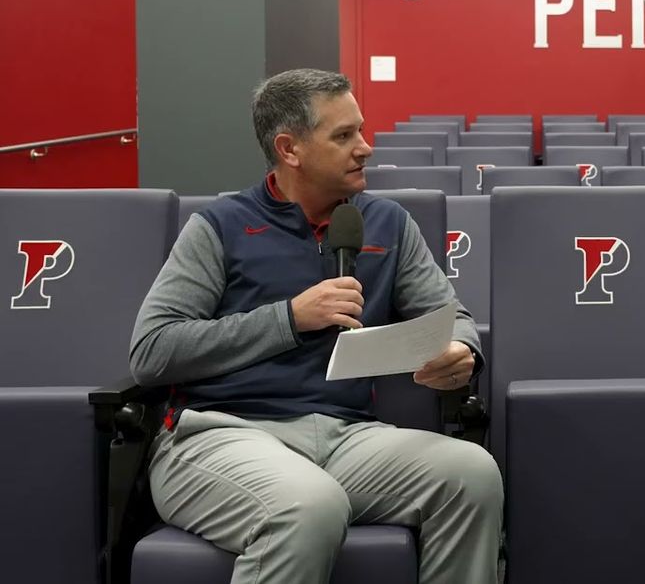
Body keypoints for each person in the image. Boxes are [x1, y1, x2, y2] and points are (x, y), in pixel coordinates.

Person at [130, 68, 502, 584]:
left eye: (362, 131)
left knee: (473, 475)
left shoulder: (389, 223)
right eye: (344, 136)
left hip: (346, 438)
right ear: (290, 149)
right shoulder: (220, 227)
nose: (365, 148)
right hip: (222, 436)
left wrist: (462, 349)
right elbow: (152, 352)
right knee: (308, 504)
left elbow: (451, 316)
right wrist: (289, 318)